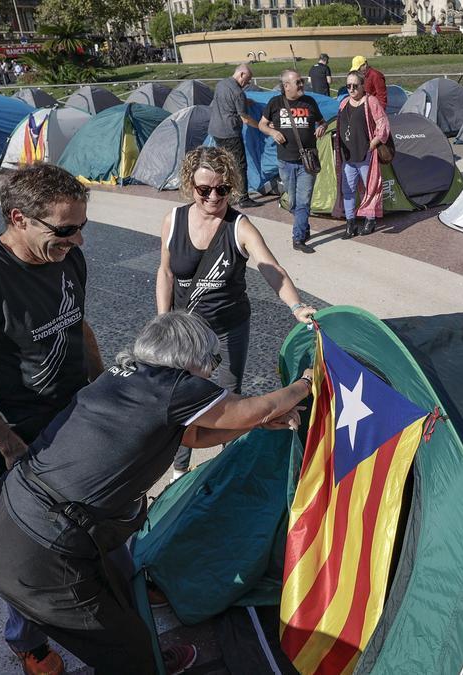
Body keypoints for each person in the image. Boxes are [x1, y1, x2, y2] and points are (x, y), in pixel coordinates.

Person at [0, 312, 312, 675]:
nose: (214, 370)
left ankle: (147, 654)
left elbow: (194, 436)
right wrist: (305, 383)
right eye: (212, 360)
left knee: (125, 597)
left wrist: (259, 422)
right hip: (42, 552)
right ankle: (145, 661)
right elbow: (252, 407)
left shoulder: (123, 377)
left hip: (7, 520)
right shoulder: (174, 386)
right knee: (126, 653)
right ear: (189, 356)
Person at [0, 164, 105, 675]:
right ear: (19, 218)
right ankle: (26, 640)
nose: (77, 239)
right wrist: (9, 446)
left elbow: (79, 328)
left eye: (82, 226)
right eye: (64, 228)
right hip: (23, 433)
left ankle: (108, 601)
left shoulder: (66, 257)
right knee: (30, 547)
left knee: (95, 522)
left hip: (76, 414)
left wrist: (107, 390)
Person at [155, 146, 316, 480]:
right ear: (190, 185)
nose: (214, 196)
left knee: (229, 399)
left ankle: (230, 462)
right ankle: (180, 470)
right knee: (182, 400)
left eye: (222, 189)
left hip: (229, 329)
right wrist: (163, 320)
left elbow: (272, 269)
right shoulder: (174, 221)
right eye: (204, 190)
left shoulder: (239, 226)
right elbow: (166, 272)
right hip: (187, 335)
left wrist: (296, 306)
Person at [258, 69, 327, 253]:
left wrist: (322, 127)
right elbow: (261, 124)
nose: (302, 84)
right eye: (298, 82)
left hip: (307, 162)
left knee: (303, 200)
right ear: (286, 86)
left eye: (302, 81)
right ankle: (303, 224)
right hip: (285, 162)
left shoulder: (310, 102)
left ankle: (297, 238)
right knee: (293, 201)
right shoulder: (275, 103)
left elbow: (323, 122)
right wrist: (273, 132)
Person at [336, 70, 390, 238]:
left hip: (366, 155)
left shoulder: (370, 101)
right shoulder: (344, 103)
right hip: (348, 157)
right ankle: (350, 224)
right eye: (348, 86)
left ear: (362, 86)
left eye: (355, 86)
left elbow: (383, 124)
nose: (351, 89)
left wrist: (374, 142)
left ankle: (370, 220)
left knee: (370, 188)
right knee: (348, 190)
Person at [208, 64, 263, 208]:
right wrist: (261, 126)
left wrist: (245, 102)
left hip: (216, 130)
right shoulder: (238, 92)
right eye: (248, 79)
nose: (248, 83)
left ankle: (228, 195)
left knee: (224, 164)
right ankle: (243, 198)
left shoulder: (221, 84)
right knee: (239, 164)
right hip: (230, 133)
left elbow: (226, 102)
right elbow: (245, 118)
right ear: (242, 74)